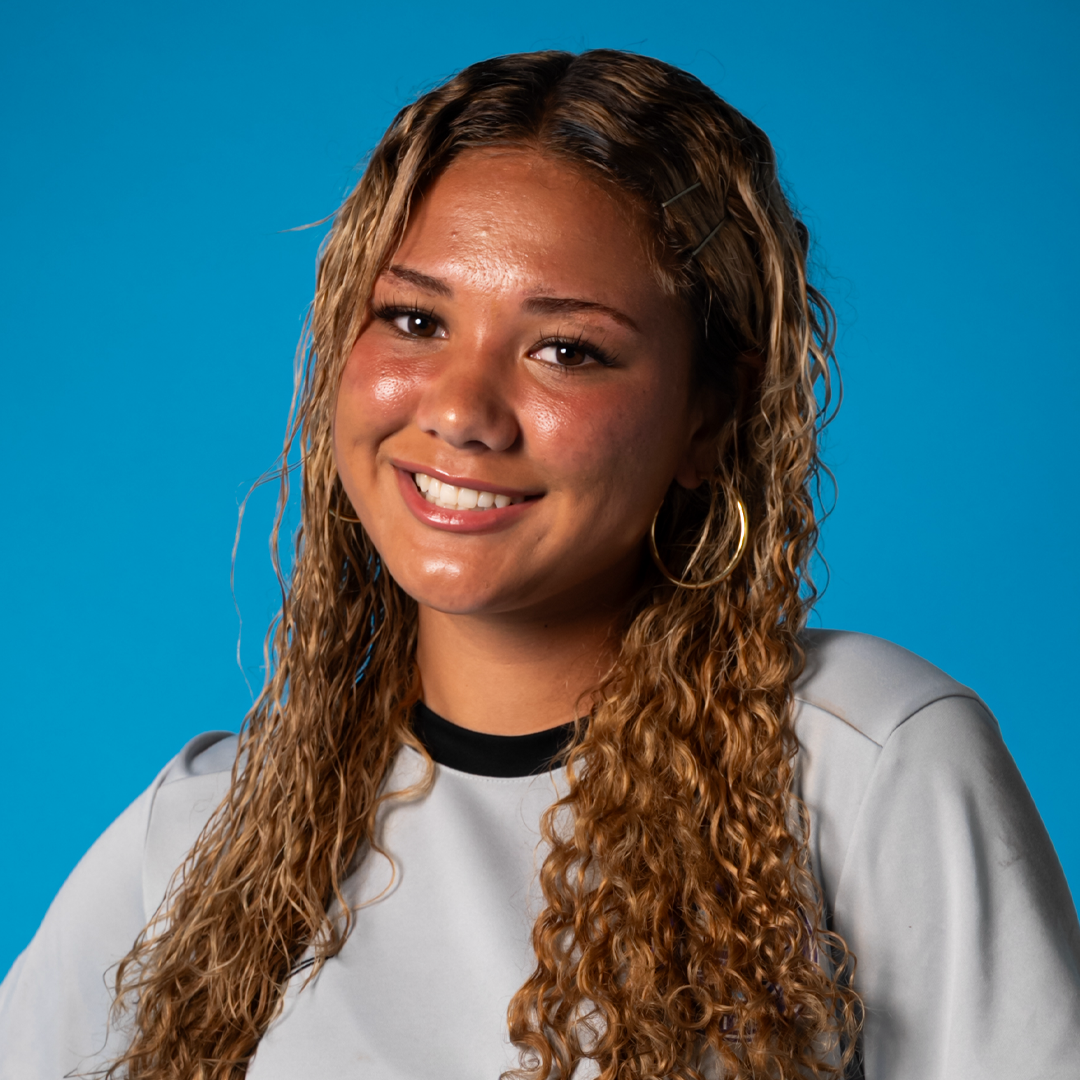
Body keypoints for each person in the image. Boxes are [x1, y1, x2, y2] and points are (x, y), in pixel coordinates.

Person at [1, 49, 1077, 1080]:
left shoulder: (867, 758)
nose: (463, 412)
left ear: (710, 416)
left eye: (566, 349)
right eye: (415, 319)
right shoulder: (210, 833)